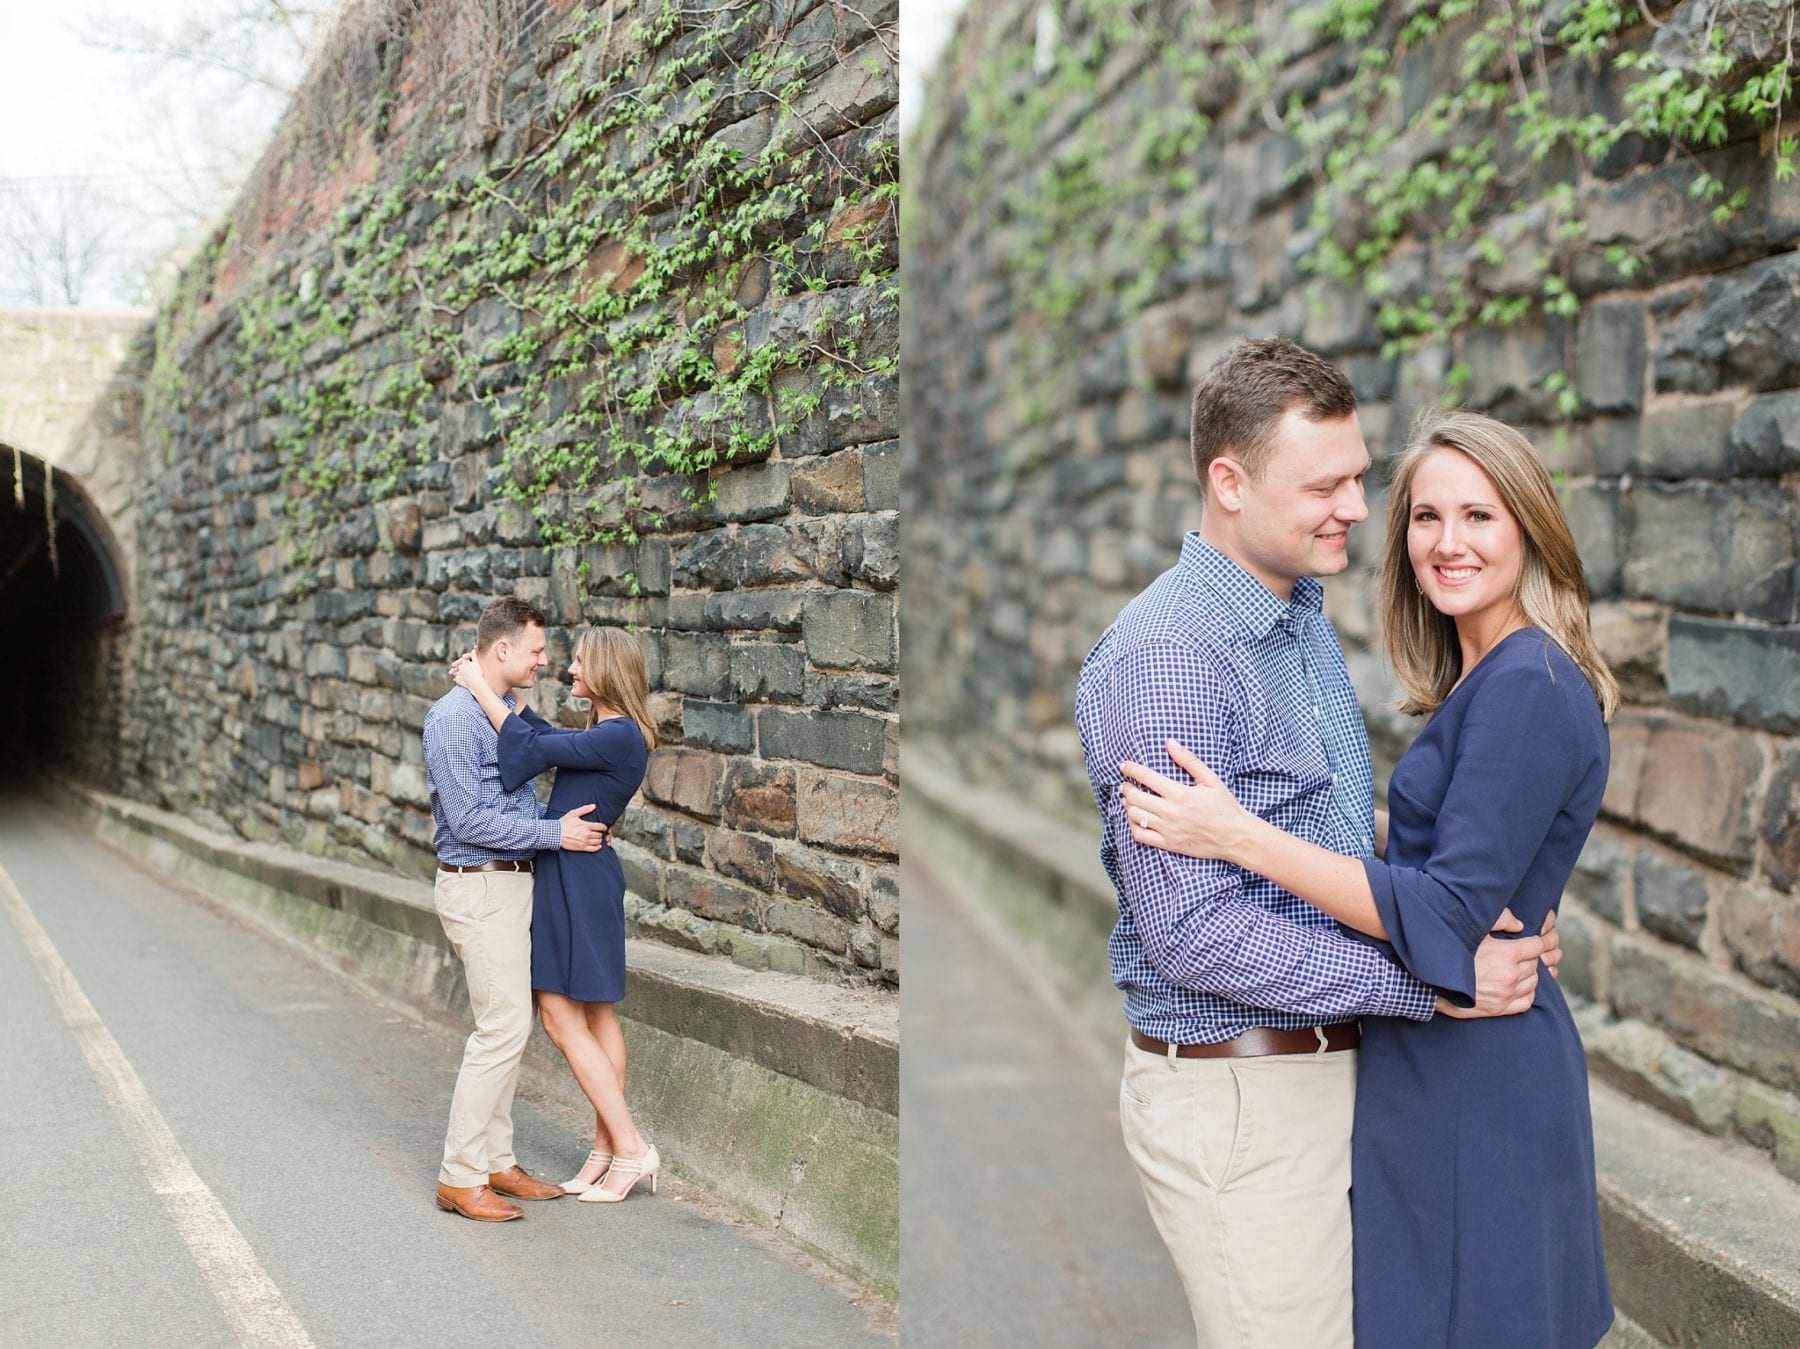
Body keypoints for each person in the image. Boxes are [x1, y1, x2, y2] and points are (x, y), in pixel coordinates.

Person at [1075, 337, 1559, 1346]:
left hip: (1343, 1077)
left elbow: (1323, 822)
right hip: (1245, 1093)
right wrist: (1432, 981)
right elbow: (1195, 934)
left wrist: (1472, 874)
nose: (1355, 506)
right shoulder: (1173, 659)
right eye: (1326, 483)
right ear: (1230, 482)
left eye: (1360, 476)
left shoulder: (1294, 613)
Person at [454, 625, 661, 1203]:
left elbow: (532, 748)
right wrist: (508, 701)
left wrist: (478, 683)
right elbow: (544, 736)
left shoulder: (620, 736)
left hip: (580, 875)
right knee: (596, 1016)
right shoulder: (610, 733)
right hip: (577, 872)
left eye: (577, 664)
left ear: (606, 671)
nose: (568, 670)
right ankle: (605, 1153)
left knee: (560, 1017)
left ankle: (631, 1148)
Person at [422, 596, 612, 1222]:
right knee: (501, 1027)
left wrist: (554, 831)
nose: (543, 661)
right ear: (501, 650)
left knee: (511, 1026)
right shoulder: (453, 718)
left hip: (512, 884)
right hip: (478, 885)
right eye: (535, 650)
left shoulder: (499, 712)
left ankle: (496, 1160)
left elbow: (530, 773)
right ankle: (460, 1174)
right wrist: (556, 833)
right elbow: (470, 819)